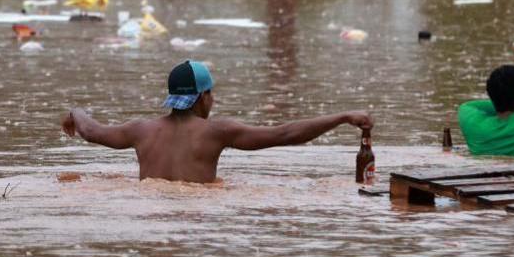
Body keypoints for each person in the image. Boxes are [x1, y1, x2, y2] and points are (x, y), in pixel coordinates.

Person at [60, 60, 373, 183]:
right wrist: (342, 116)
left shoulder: (140, 130)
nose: (214, 100)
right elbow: (285, 134)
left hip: (150, 212)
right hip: (199, 214)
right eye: (211, 94)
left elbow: (91, 131)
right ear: (201, 98)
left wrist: (75, 111)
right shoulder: (217, 131)